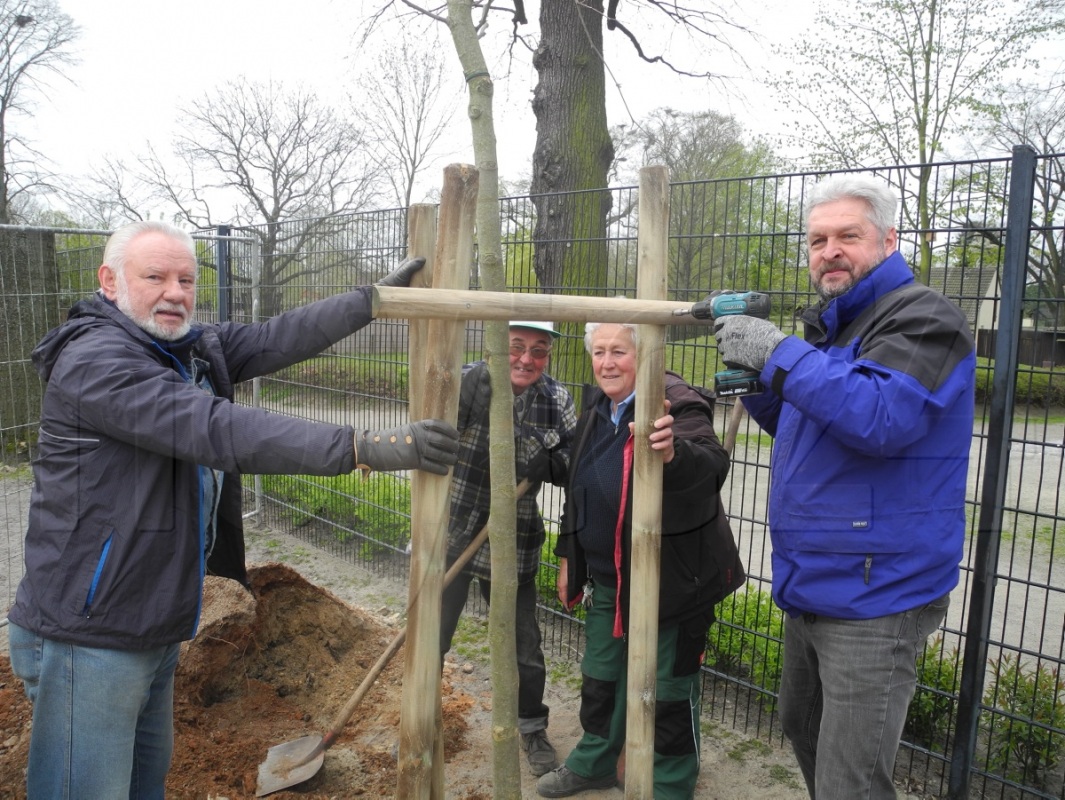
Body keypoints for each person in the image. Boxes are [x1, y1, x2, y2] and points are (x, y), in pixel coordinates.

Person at [5, 220, 459, 799]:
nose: (175, 292)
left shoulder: (179, 348)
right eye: (156, 276)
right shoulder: (98, 362)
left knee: (144, 784)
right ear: (109, 282)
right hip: (88, 633)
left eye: (187, 279)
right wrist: (362, 446)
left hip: (150, 620)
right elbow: (216, 428)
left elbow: (273, 337)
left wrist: (368, 302)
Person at [712, 174, 976, 799]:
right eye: (817, 240)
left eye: (847, 237)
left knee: (849, 783)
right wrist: (755, 377)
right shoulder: (836, 332)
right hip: (815, 580)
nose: (829, 251)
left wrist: (778, 353)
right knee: (802, 729)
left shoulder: (925, 318)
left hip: (877, 592)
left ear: (888, 240)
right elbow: (811, 423)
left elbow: (878, 418)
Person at [537, 322, 742, 799]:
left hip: (673, 583)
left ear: (646, 355)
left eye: (620, 352)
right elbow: (579, 485)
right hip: (608, 580)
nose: (608, 363)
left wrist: (673, 453)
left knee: (669, 690)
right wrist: (569, 553)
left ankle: (670, 784)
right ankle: (596, 761)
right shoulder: (598, 406)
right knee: (601, 674)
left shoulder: (676, 400)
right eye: (600, 352)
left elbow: (711, 464)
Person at [440, 321, 578, 776]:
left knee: (524, 646)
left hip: (513, 537)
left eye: (538, 351)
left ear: (549, 356)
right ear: (497, 346)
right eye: (516, 347)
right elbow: (431, 432)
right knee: (433, 633)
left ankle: (532, 727)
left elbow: (578, 457)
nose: (525, 359)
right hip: (453, 531)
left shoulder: (556, 400)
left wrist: (560, 462)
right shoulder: (469, 380)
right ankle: (421, 712)